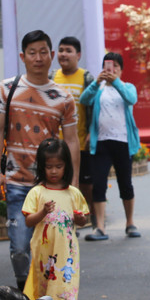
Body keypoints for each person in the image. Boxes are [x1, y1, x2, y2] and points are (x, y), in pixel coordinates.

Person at [0, 30, 80, 291]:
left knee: (50, 247)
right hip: (16, 183)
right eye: (32, 53)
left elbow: (72, 141)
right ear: (23, 56)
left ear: (51, 55)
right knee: (19, 247)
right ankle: (23, 291)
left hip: (50, 187)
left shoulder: (63, 97)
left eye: (43, 52)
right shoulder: (7, 89)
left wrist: (72, 183)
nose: (38, 58)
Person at [22, 138, 89, 300]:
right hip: (43, 255)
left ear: (66, 166)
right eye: (48, 166)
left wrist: (80, 219)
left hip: (67, 255)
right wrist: (43, 211)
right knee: (42, 293)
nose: (53, 171)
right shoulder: (37, 192)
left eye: (58, 166)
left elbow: (83, 218)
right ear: (41, 167)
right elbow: (28, 220)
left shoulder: (73, 193)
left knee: (65, 292)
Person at [80, 52, 142, 241]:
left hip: (123, 142)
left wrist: (115, 82)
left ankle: (130, 223)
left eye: (116, 66)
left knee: (126, 183)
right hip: (101, 143)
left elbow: (131, 99)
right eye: (108, 65)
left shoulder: (126, 86)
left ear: (121, 70)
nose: (111, 69)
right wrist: (96, 82)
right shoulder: (98, 89)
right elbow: (84, 100)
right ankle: (100, 227)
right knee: (98, 184)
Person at [52, 36, 95, 211]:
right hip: (57, 144)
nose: (64, 54)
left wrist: (92, 132)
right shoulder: (52, 77)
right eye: (61, 50)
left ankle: (89, 215)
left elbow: (93, 107)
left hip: (81, 142)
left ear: (78, 55)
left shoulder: (86, 78)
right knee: (60, 183)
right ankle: (66, 218)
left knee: (85, 184)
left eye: (68, 51)